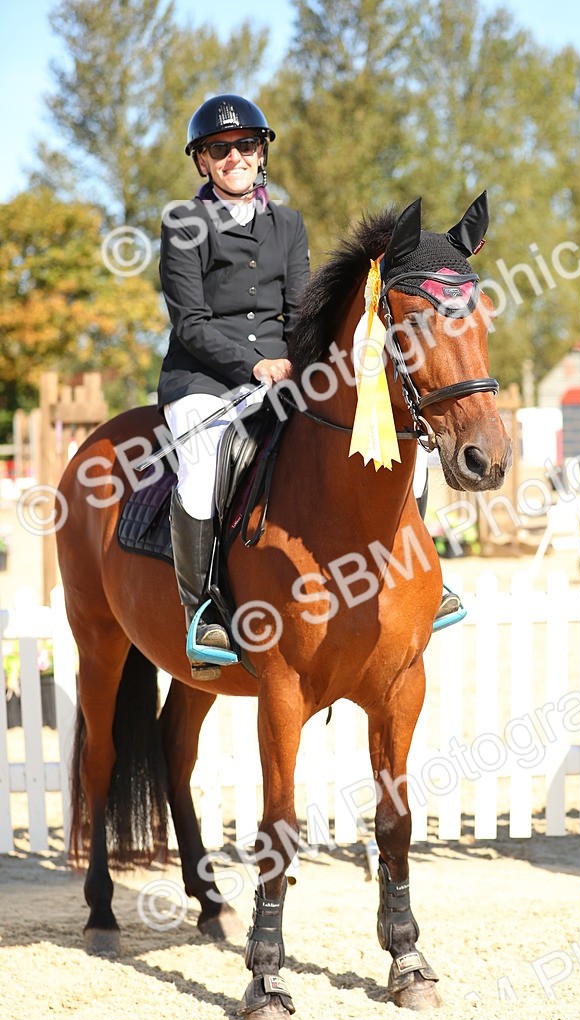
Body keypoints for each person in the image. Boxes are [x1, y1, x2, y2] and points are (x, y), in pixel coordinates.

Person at [158, 94, 310, 678]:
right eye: (219, 150)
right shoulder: (184, 224)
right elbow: (189, 322)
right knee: (201, 464)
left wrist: (300, 361)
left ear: (261, 152)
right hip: (202, 377)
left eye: (245, 146)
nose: (234, 157)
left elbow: (298, 313)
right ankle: (203, 616)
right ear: (203, 162)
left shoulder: (289, 224)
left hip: (281, 374)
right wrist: (255, 366)